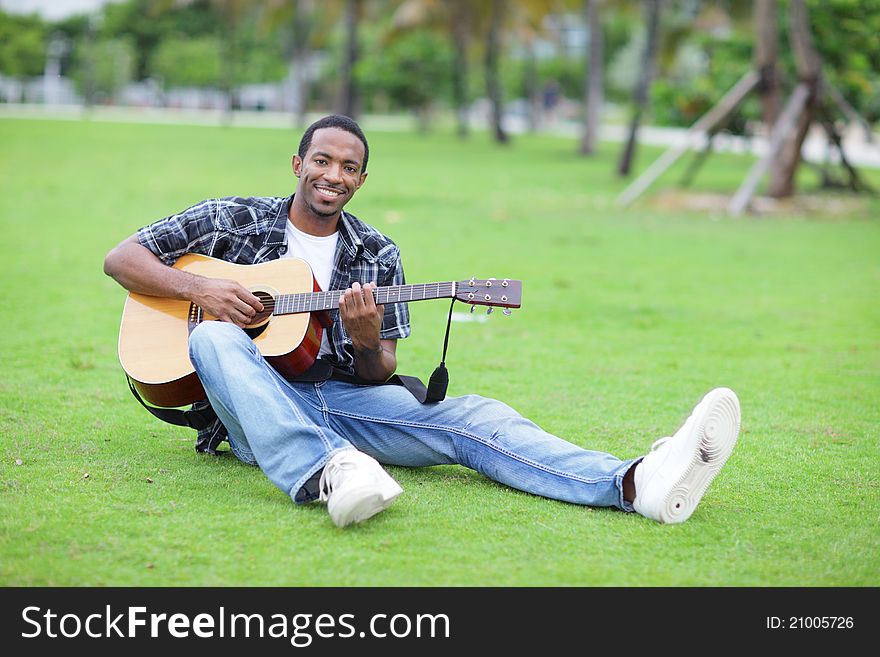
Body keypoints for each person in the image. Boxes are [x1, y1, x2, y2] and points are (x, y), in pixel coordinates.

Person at [104, 114, 741, 528]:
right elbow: (121, 258)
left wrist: (361, 339)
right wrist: (202, 289)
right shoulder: (229, 220)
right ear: (297, 165)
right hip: (249, 407)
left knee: (475, 419)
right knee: (214, 333)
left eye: (349, 168)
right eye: (322, 161)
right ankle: (326, 471)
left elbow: (381, 369)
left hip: (341, 400)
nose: (334, 176)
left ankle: (633, 483)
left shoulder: (378, 254)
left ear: (361, 178)